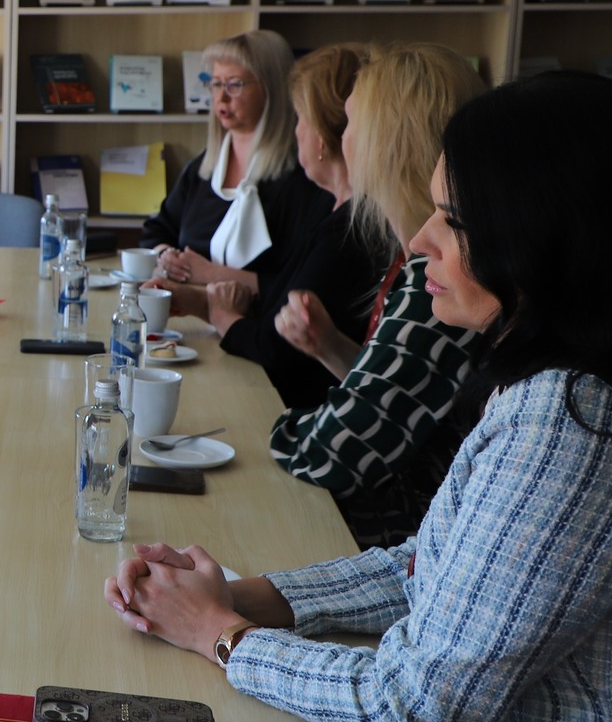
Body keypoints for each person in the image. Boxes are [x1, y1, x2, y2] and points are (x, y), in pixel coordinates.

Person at [107, 72, 612, 722]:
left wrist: (221, 636)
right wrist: (245, 593)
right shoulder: (570, 387)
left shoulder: (582, 426)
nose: (421, 241)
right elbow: (431, 564)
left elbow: (414, 708)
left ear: (550, 238)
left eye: (455, 220)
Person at [268, 43, 486, 546]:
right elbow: (405, 403)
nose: (340, 141)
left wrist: (273, 427)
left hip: (404, 543)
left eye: (349, 125)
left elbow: (330, 453)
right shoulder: (421, 258)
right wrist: (331, 348)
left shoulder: (438, 275)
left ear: (383, 144)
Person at [146, 45, 383, 409]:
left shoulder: (342, 227)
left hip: (290, 404)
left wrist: (220, 310)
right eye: (215, 84)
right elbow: (281, 304)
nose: (295, 131)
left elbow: (277, 344)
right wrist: (197, 299)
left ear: (321, 138)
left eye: (300, 120)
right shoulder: (335, 216)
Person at [138, 30, 329, 296]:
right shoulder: (203, 168)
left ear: (271, 88)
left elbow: (299, 281)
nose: (221, 97)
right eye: (216, 84)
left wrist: (211, 274)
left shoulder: (302, 177)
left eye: (234, 84)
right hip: (189, 311)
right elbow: (157, 229)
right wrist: (166, 255)